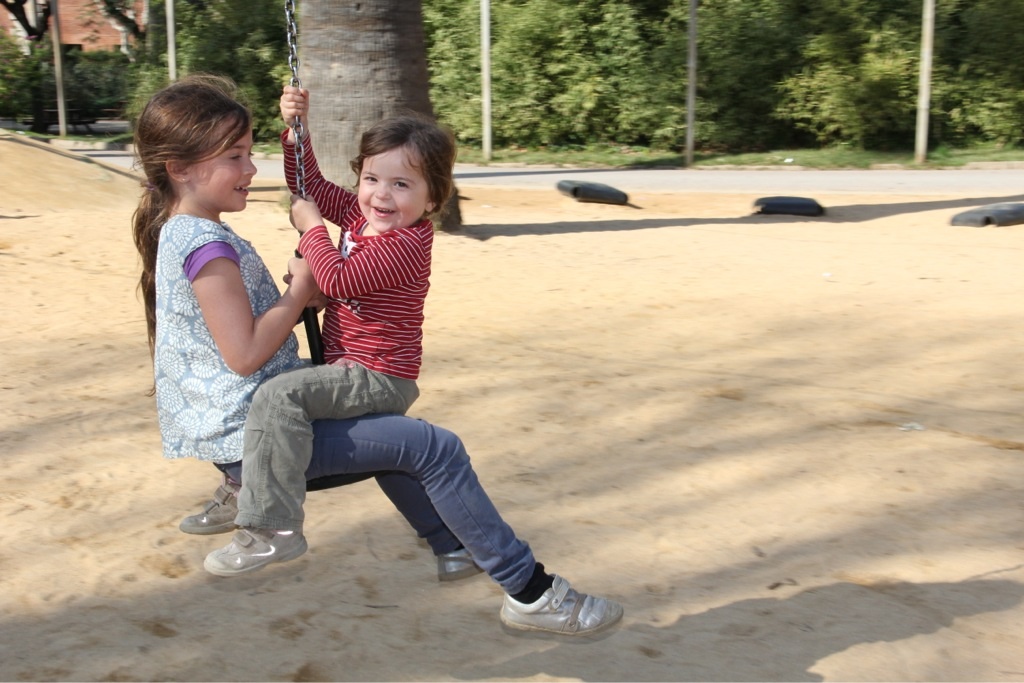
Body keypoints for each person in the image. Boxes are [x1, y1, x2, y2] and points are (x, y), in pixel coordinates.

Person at [132, 73, 623, 637]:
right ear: (181, 168)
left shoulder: (187, 233)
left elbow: (316, 221)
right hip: (255, 435)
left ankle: (450, 546)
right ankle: (532, 595)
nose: (250, 168)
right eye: (235, 156)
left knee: (397, 440)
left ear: (431, 198)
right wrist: (302, 249)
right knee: (433, 447)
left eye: (402, 184)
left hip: (290, 405)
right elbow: (309, 222)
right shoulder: (210, 244)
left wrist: (306, 217)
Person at [202, 87, 457, 565]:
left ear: (432, 198)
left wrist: (313, 229)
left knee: (277, 397)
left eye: (402, 184)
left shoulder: (405, 244)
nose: (381, 194)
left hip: (379, 374)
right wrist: (296, 131)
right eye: (371, 178)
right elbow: (310, 188)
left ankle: (271, 525)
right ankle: (450, 542)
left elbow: (338, 279)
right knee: (263, 382)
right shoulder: (363, 219)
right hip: (351, 367)